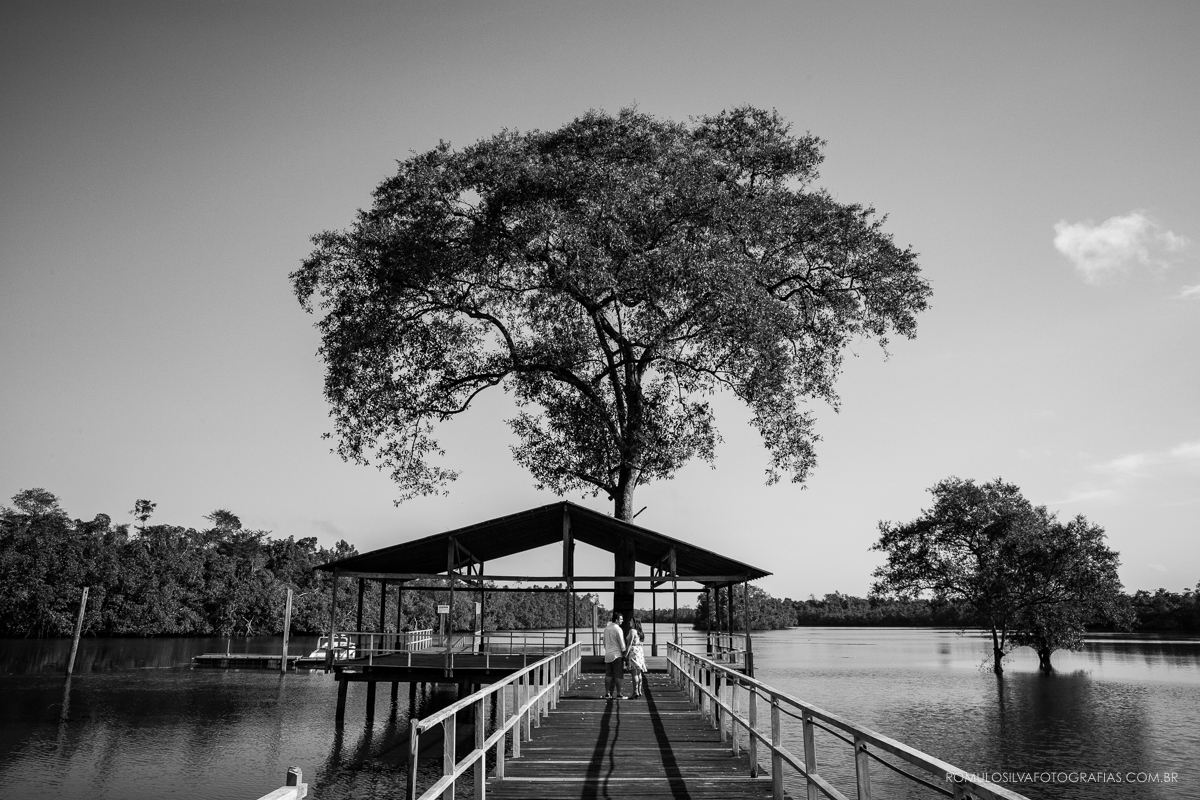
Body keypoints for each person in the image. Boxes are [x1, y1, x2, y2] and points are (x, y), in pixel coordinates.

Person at [602, 610, 626, 699]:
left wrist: (607, 650)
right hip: (616, 655)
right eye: (621, 619)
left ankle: (607, 693)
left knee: (608, 675)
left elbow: (604, 643)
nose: (622, 621)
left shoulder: (606, 628)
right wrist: (625, 654)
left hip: (608, 655)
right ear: (616, 620)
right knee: (617, 675)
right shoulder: (618, 629)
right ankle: (619, 693)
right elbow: (622, 644)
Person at [626, 618, 647, 698]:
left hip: (634, 652)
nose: (629, 622)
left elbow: (629, 643)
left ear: (634, 623)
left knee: (634, 673)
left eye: (631, 621)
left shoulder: (632, 631)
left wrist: (626, 654)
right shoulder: (640, 632)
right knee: (639, 672)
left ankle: (635, 692)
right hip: (640, 652)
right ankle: (639, 690)